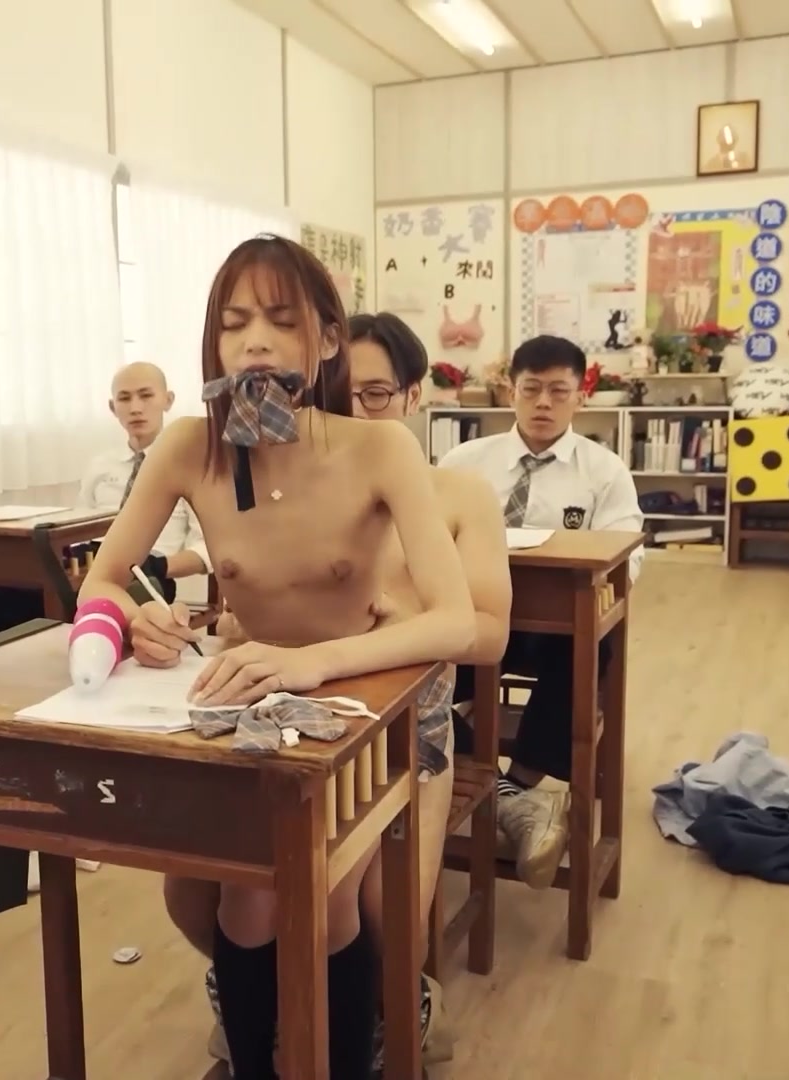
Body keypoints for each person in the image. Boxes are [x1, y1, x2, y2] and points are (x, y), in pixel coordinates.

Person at [77, 235, 478, 1080]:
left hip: (366, 700)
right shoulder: (189, 447)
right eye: (234, 323)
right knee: (246, 894)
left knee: (321, 893)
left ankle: (337, 1051)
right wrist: (136, 619)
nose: (254, 341)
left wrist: (315, 661)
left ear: (326, 339)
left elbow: (454, 623)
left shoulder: (380, 449)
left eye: (280, 320)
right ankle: (261, 1054)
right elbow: (105, 579)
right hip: (249, 707)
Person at [174, 311, 513, 1071]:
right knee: (195, 890)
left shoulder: (458, 495)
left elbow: (487, 633)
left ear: (415, 396)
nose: (354, 412)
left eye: (376, 394)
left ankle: (382, 1007)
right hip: (281, 718)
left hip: (404, 725)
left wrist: (395, 630)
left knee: (378, 915)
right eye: (339, 395)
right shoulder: (276, 482)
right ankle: (267, 998)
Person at [436, 334, 644, 888]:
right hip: (476, 615)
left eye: (558, 391)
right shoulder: (464, 463)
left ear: (581, 396)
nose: (543, 403)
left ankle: (521, 778)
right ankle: (494, 781)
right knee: (416, 664)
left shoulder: (603, 470)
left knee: (588, 643)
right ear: (511, 392)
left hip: (555, 628)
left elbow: (629, 554)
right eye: (531, 390)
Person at [0, 361, 209, 634]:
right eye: (124, 398)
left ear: (168, 400)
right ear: (112, 407)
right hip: (88, 572)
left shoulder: (187, 465)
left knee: (74, 605)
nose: (135, 408)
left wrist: (159, 565)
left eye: (146, 395)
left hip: (148, 578)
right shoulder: (101, 466)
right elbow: (76, 530)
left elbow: (208, 548)